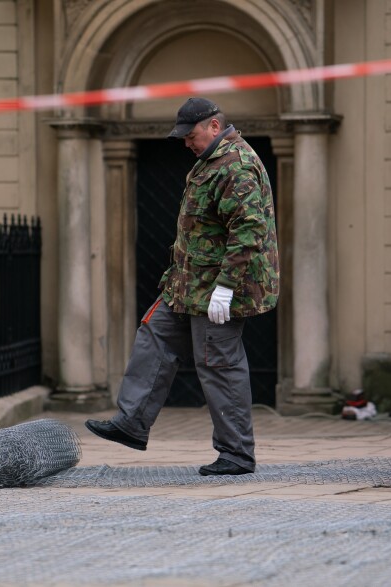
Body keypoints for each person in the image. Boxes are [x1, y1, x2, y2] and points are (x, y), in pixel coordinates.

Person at [85, 97, 279, 476]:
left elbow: (249, 230)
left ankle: (237, 454)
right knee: (153, 335)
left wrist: (226, 287)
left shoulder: (236, 164)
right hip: (188, 284)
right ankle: (132, 423)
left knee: (219, 365)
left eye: (190, 135)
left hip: (218, 288)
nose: (186, 143)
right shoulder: (211, 161)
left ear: (214, 126)